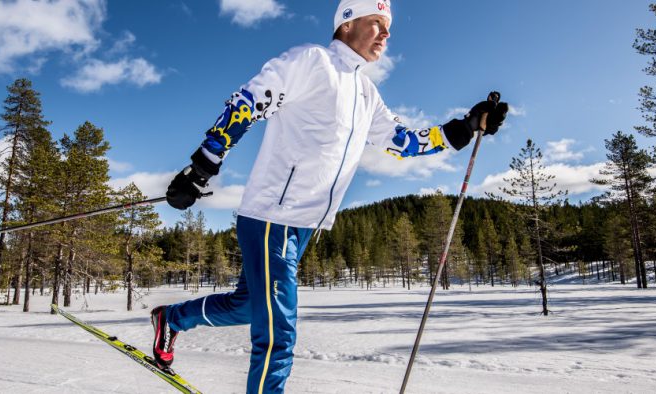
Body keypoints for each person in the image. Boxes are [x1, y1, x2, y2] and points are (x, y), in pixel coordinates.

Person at [151, 0, 509, 392]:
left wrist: (465, 127)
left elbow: (401, 142)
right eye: (377, 23)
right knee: (278, 336)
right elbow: (250, 101)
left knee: (250, 306)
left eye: (388, 26)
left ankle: (172, 319)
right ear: (346, 24)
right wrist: (205, 161)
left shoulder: (365, 93)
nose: (386, 34)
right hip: (272, 217)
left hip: (302, 226)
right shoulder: (311, 61)